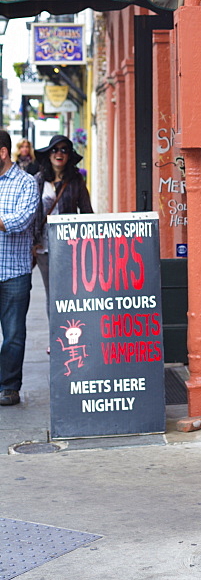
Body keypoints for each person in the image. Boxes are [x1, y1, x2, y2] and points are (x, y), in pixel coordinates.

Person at [0, 129, 39, 406]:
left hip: (14, 271)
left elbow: (22, 221)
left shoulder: (26, 183)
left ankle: (8, 386)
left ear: (2, 152)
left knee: (13, 334)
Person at [33, 135, 93, 304]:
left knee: (69, 293)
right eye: (55, 149)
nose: (59, 153)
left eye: (64, 150)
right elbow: (30, 214)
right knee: (52, 295)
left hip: (70, 246)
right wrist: (33, 242)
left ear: (69, 156)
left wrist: (86, 242)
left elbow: (87, 212)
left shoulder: (75, 181)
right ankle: (55, 330)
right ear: (48, 154)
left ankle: (71, 329)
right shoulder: (38, 180)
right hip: (43, 247)